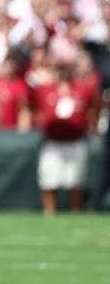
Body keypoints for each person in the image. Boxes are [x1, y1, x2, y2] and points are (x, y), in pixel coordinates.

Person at [34, 65, 97, 215]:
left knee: (75, 181)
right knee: (49, 181)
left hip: (75, 141)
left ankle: (75, 214)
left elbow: (93, 108)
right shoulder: (45, 90)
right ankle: (49, 213)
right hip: (53, 143)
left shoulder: (82, 89)